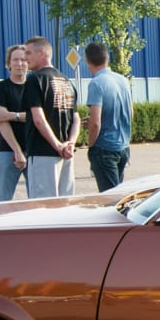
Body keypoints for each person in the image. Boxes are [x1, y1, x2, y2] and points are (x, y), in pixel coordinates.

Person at [23, 35, 79, 198]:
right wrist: (70, 143)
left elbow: (38, 119)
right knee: (65, 203)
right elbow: (75, 119)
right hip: (66, 156)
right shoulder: (66, 81)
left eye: (28, 53)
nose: (25, 58)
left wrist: (57, 146)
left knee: (42, 206)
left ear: (41, 53)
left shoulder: (35, 80)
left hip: (42, 154)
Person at [84, 41, 133, 191]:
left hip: (104, 148)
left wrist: (90, 144)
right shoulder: (123, 80)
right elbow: (130, 113)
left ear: (87, 60)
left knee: (109, 198)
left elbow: (96, 123)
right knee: (118, 194)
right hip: (123, 146)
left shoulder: (96, 83)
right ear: (107, 58)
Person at [0, 44, 32, 201]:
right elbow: (0, 120)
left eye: (23, 60)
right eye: (15, 60)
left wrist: (11, 115)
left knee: (36, 200)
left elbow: (39, 117)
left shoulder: (34, 87)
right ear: (8, 64)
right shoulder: (0, 88)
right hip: (8, 152)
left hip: (34, 152)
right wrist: (17, 151)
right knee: (3, 199)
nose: (19, 64)